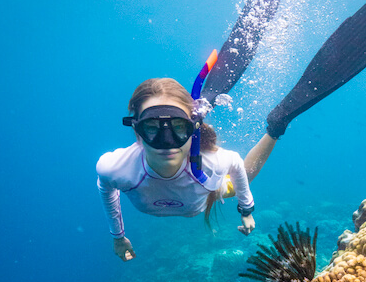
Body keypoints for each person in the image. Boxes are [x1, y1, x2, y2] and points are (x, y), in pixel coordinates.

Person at [96, 77, 277, 262]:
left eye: (179, 127)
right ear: (136, 129)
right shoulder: (116, 168)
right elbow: (105, 187)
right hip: (198, 197)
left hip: (209, 189)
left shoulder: (212, 164)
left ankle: (276, 126)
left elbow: (237, 164)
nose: (166, 142)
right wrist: (117, 236)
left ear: (193, 127)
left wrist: (246, 209)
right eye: (151, 127)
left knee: (241, 178)